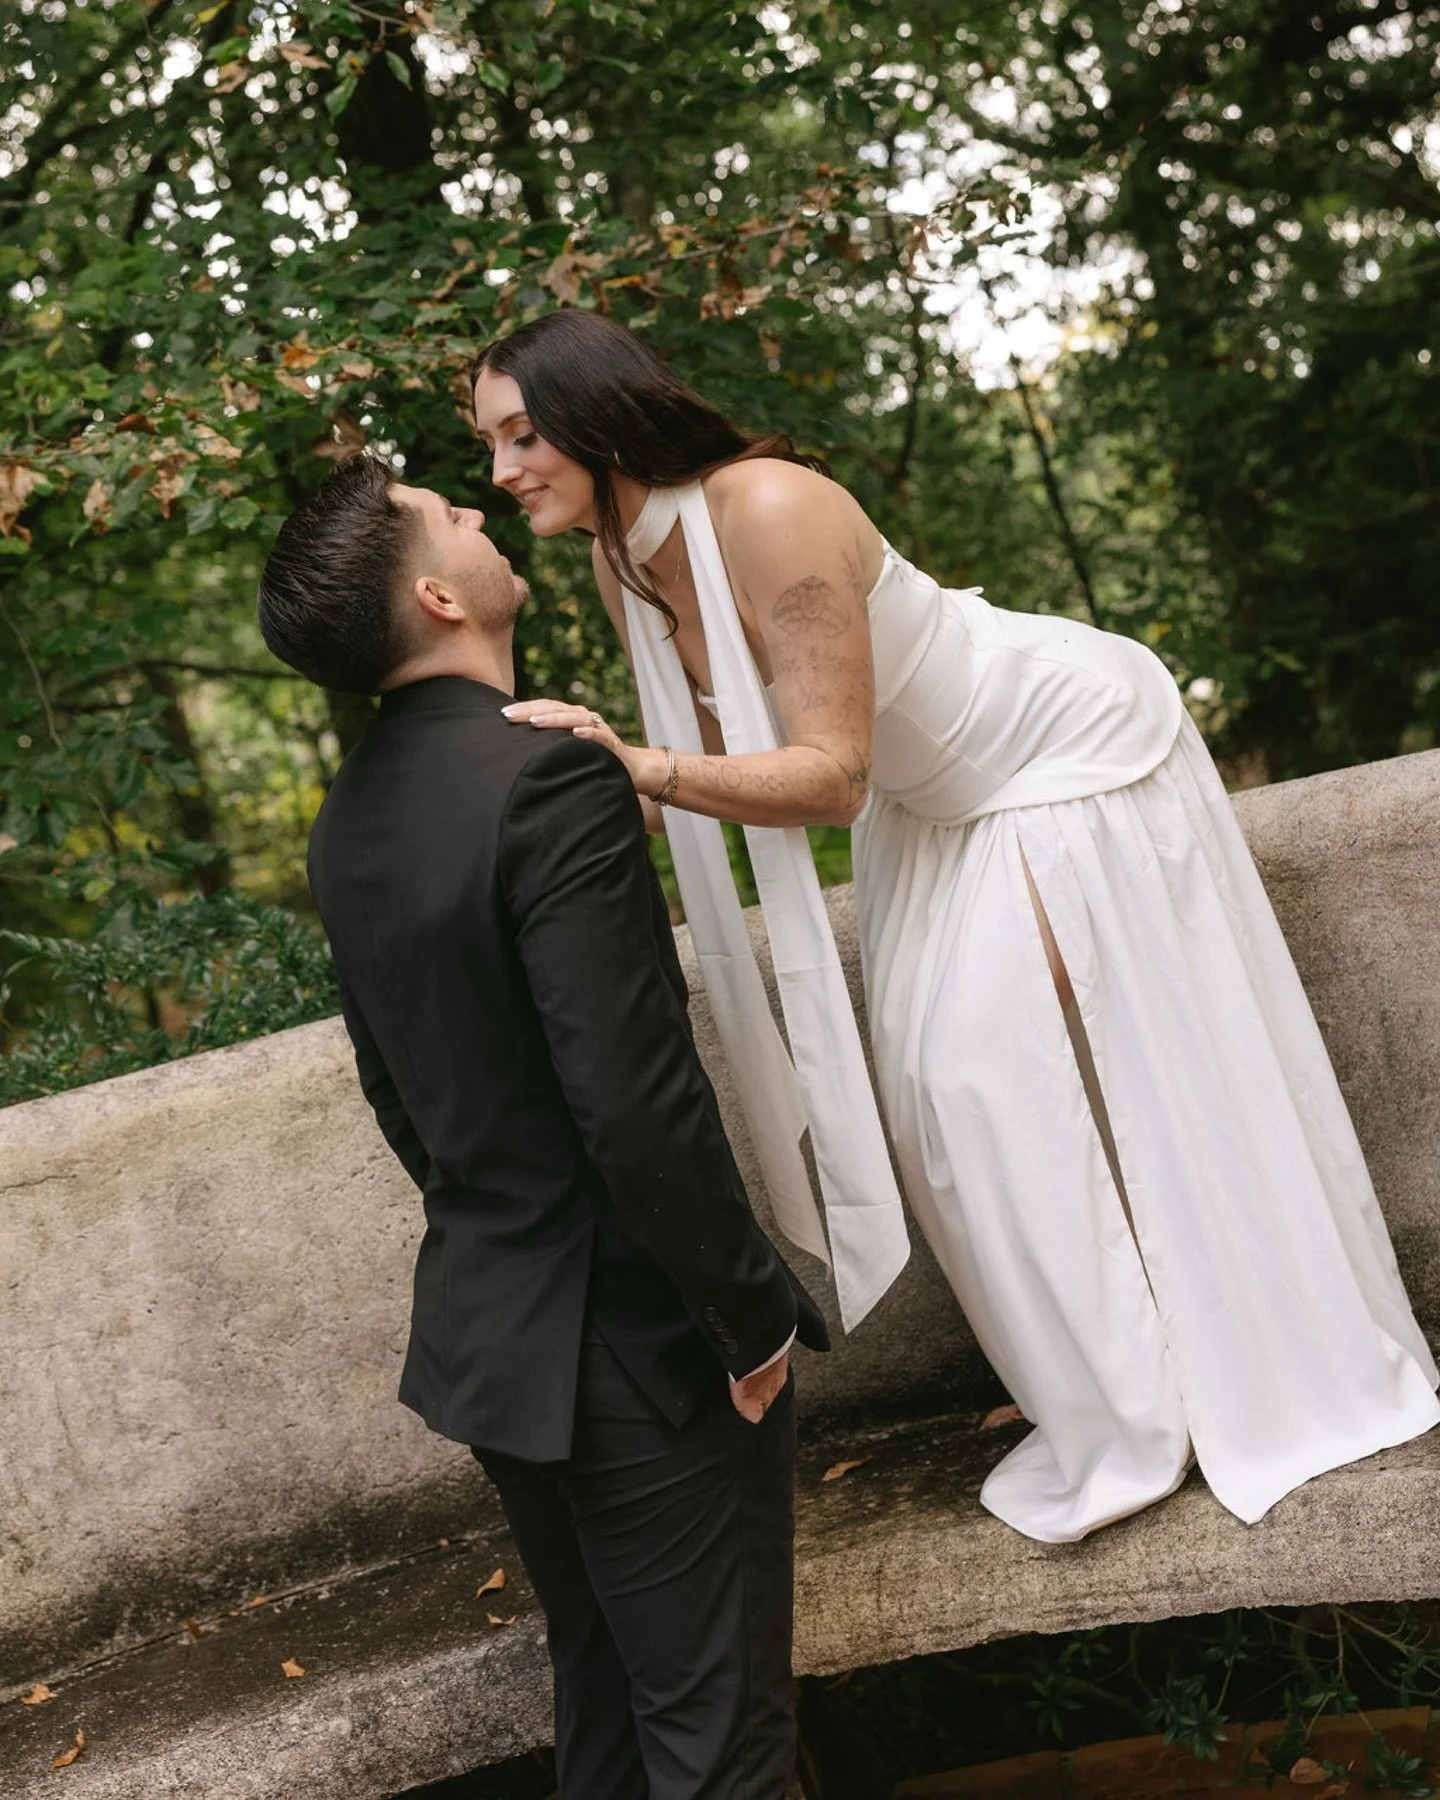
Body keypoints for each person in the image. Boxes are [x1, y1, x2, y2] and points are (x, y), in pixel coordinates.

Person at [471, 307, 1440, 1546]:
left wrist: (638, 767)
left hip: (1060, 750)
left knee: (981, 1077)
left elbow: (823, 778)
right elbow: (711, 767)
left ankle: (1201, 1393)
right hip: (938, 805)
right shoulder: (622, 563)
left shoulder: (769, 508)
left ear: (594, 412)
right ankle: (1113, 1407)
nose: (501, 474)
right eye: (490, 449)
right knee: (931, 1107)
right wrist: (558, 806)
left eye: (518, 435)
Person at [255, 452, 829, 1800]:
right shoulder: (549, 778)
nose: (478, 509)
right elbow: (633, 1099)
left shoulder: (347, 824)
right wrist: (745, 1321)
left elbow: (401, 1097)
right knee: (722, 1746)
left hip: (494, 1341)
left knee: (615, 1719)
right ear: (443, 598)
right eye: (448, 517)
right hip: (637, 1348)